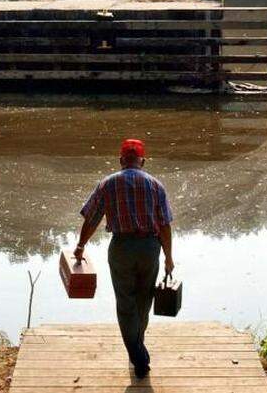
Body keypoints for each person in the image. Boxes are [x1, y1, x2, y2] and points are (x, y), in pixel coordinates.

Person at [73, 138, 174, 379]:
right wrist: (169, 257)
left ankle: (136, 352)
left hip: (121, 247)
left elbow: (92, 218)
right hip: (150, 247)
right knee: (143, 301)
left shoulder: (108, 184)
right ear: (143, 161)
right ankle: (138, 348)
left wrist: (80, 245)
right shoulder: (155, 185)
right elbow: (165, 224)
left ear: (120, 161)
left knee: (125, 302)